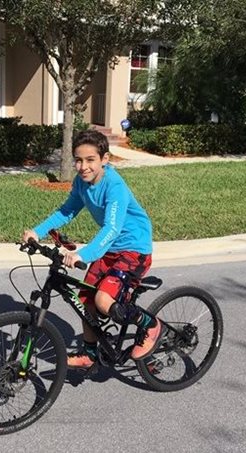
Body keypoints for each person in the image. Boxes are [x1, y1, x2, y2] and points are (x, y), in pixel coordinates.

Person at [22, 129, 164, 369]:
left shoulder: (114, 186)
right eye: (78, 160)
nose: (83, 166)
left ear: (104, 160)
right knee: (86, 299)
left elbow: (112, 228)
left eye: (90, 160)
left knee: (103, 300)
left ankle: (150, 325)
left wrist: (82, 255)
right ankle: (90, 354)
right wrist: (37, 231)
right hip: (109, 249)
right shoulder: (81, 183)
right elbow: (66, 211)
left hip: (134, 249)